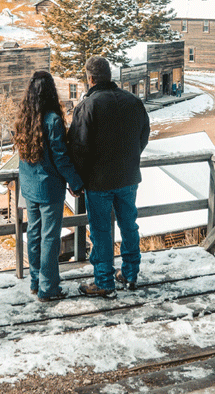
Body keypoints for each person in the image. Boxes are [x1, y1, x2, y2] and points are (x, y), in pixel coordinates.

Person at [68, 56, 150, 296]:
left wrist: (78, 179)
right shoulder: (134, 102)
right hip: (128, 177)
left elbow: (78, 146)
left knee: (101, 231)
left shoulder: (88, 106)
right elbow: (143, 135)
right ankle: (130, 273)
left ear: (90, 78)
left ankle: (104, 282)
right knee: (129, 226)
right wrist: (132, 157)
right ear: (109, 76)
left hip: (99, 181)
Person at [14, 71, 84, 302]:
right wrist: (75, 182)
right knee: (50, 238)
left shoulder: (23, 118)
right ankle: (48, 287)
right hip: (49, 187)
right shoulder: (53, 120)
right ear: (51, 91)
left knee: (33, 234)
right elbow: (61, 158)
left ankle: (36, 281)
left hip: (29, 186)